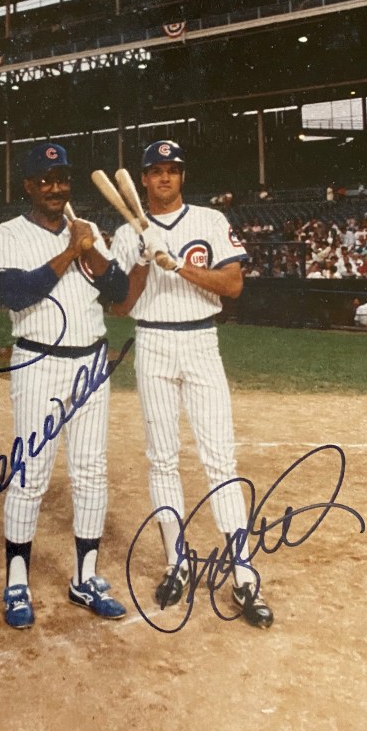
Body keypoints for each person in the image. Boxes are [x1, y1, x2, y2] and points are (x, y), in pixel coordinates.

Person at [110, 140, 273, 629]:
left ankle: (243, 570)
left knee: (219, 456)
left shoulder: (207, 220)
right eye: (155, 171)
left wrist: (178, 265)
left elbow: (233, 285)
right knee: (162, 457)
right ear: (143, 180)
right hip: (154, 342)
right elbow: (120, 307)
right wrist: (143, 259)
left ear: (182, 176)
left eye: (172, 171)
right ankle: (176, 562)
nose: (164, 179)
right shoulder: (125, 233)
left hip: (202, 342)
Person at [0, 141, 130, 629]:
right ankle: (17, 582)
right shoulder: (9, 233)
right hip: (39, 361)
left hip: (90, 361)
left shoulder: (88, 233)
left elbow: (118, 296)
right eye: (45, 180)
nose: (55, 188)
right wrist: (70, 252)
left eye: (62, 180)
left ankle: (85, 577)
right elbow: (13, 293)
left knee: (91, 470)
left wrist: (95, 256)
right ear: (28, 187)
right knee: (31, 474)